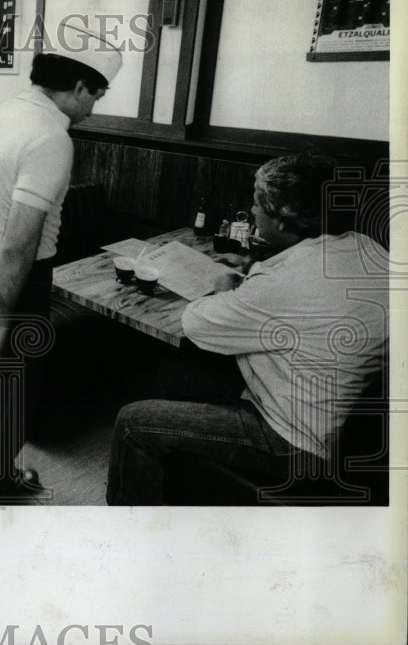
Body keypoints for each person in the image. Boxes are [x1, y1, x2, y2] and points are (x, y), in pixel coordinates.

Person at [106, 154, 389, 505]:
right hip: (344, 426)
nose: (251, 211)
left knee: (133, 423)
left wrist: (228, 287)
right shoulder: (368, 247)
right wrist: (255, 268)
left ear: (284, 217)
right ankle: (178, 487)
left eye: (257, 202)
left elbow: (194, 324)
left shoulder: (283, 281)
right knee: (176, 374)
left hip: (290, 441)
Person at [0, 27, 122, 504]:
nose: (94, 108)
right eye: (96, 94)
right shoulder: (52, 137)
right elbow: (17, 245)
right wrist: (3, 319)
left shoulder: (1, 114)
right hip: (14, 282)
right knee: (7, 403)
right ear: (77, 87)